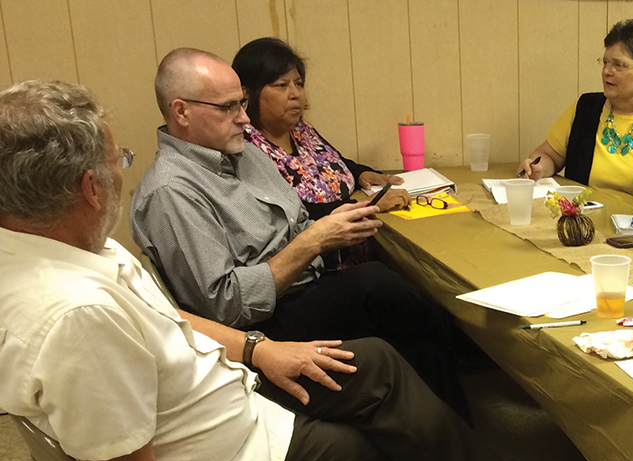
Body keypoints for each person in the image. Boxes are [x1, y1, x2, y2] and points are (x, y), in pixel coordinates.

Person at [0, 80, 592, 461]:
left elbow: (171, 316)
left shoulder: (63, 245)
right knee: (391, 449)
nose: (123, 169)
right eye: (116, 160)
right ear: (88, 189)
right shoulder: (76, 314)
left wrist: (260, 351)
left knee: (374, 361)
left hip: (221, 394)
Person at [130, 48, 470, 420]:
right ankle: (470, 350)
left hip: (309, 286)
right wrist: (314, 241)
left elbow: (296, 222)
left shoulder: (244, 154)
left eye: (242, 103)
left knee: (419, 338)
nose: (244, 118)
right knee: (380, 287)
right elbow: (224, 307)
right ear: (181, 112)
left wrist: (334, 227)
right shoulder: (171, 191)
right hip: (263, 328)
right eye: (228, 107)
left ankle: (457, 416)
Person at [515, 18, 633, 220]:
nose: (607, 71)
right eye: (605, 62)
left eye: (618, 64)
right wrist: (538, 168)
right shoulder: (585, 108)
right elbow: (549, 155)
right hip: (582, 227)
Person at [232, 36, 410, 222]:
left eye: (299, 84)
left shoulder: (300, 129)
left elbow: (331, 163)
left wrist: (361, 174)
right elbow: (292, 216)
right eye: (282, 85)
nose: (295, 94)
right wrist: (366, 205)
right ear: (247, 94)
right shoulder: (244, 146)